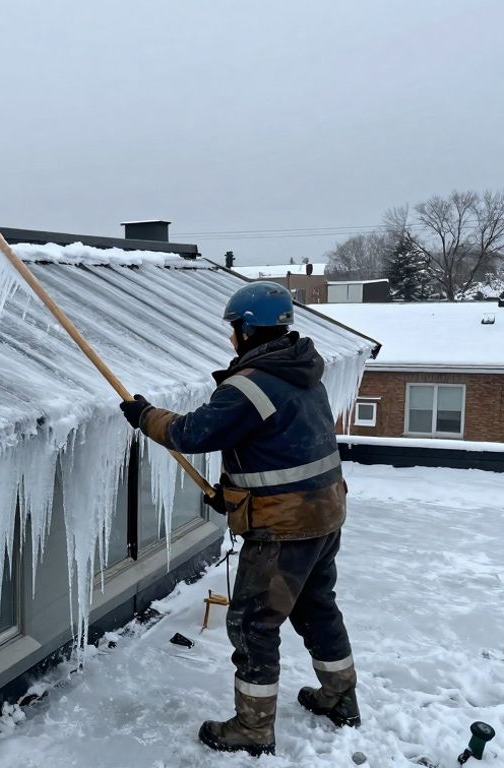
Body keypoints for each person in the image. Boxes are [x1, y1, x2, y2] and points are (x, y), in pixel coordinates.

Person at [119, 280, 359, 757]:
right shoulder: (302, 371)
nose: (231, 338)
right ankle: (339, 698)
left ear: (247, 330)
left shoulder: (251, 384)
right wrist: (234, 496)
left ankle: (252, 728)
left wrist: (145, 415)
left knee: (253, 623)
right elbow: (281, 447)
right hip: (324, 513)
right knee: (317, 607)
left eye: (233, 329)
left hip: (284, 527)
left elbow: (193, 432)